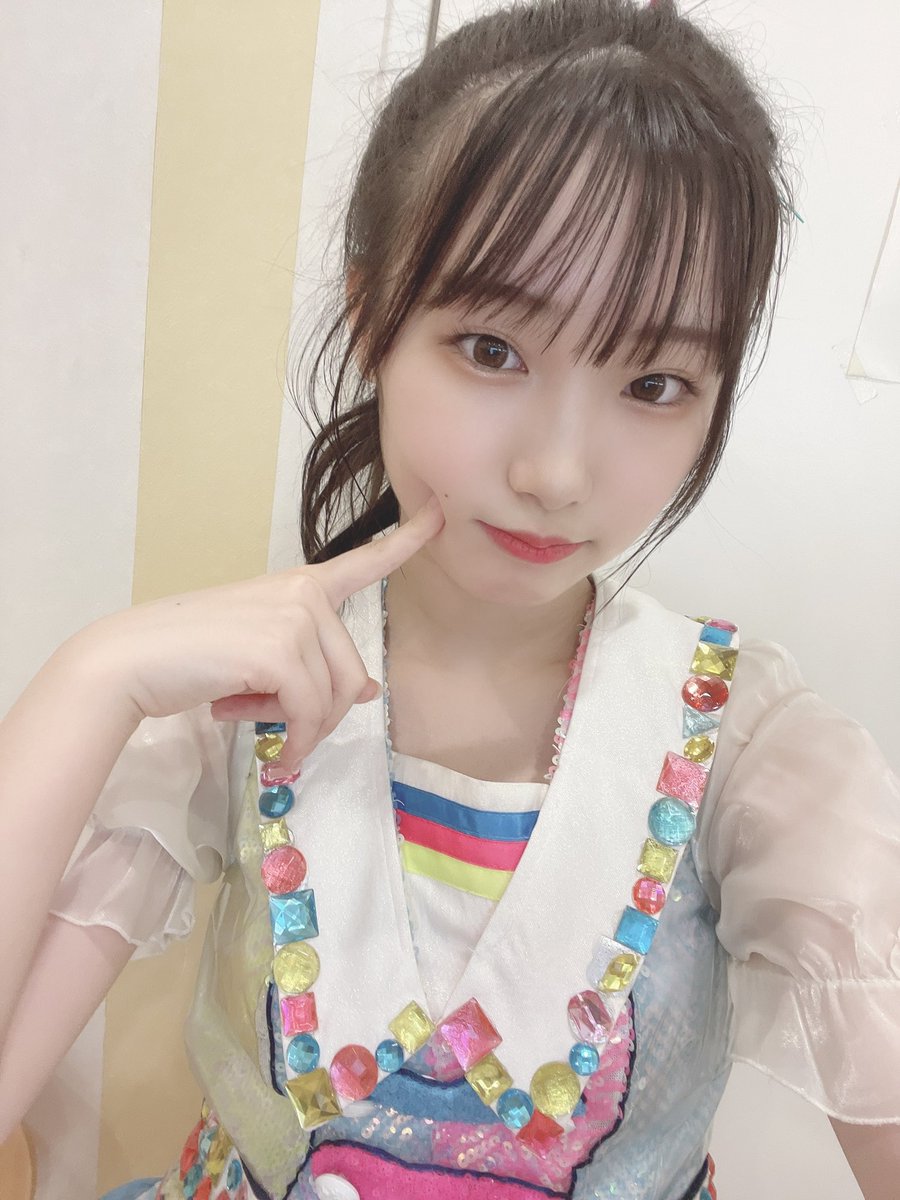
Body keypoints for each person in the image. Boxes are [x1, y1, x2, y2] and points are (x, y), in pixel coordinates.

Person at [0, 0, 898, 1197]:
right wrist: (91, 677)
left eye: (653, 382)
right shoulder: (237, 697)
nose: (557, 472)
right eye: (491, 349)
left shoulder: (750, 751)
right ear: (373, 315)